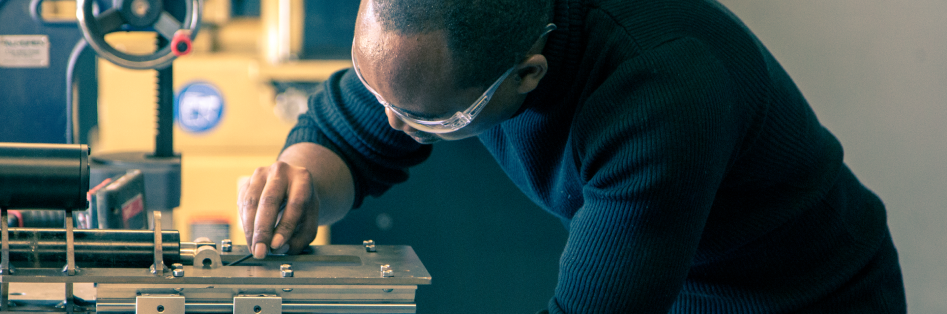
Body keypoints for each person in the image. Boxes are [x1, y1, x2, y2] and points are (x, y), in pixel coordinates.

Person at [236, 0, 907, 312]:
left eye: (425, 115)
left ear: (526, 76)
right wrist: (298, 189)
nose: (390, 120)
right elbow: (348, 138)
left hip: (798, 300)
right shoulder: (431, 37)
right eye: (369, 76)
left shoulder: (658, 93)